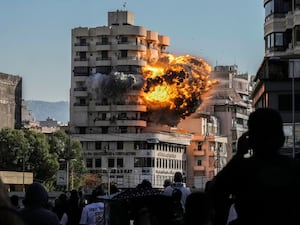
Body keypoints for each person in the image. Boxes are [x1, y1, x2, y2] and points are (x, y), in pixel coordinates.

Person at [208, 108, 300, 225]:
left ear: (251, 140)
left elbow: (214, 192)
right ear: (281, 138)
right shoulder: (295, 169)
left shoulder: (242, 170)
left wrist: (239, 155)